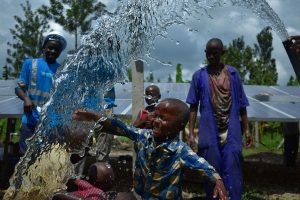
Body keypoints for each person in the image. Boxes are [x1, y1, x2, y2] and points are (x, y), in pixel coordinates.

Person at [72, 98, 228, 200]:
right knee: (117, 197)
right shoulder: (143, 136)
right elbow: (120, 127)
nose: (156, 121)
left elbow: (204, 166)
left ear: (179, 126)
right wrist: (95, 117)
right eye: (156, 116)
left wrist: (218, 181)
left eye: (163, 119)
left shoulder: (181, 151)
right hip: (141, 195)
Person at [186, 38, 252, 200]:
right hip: (209, 132)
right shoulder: (199, 76)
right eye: (208, 53)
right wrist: (191, 133)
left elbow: (242, 105)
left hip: (232, 131)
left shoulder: (234, 74)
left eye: (215, 53)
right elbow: (193, 106)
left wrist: (247, 129)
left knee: (233, 168)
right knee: (211, 170)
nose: (211, 57)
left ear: (222, 53)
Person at [15, 31, 67, 154]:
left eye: (57, 50)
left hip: (50, 122)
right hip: (30, 120)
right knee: (25, 156)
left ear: (60, 52)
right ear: (43, 48)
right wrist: (26, 99)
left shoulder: (61, 70)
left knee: (45, 157)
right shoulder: (30, 64)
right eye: (50, 48)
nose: (53, 51)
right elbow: (19, 88)